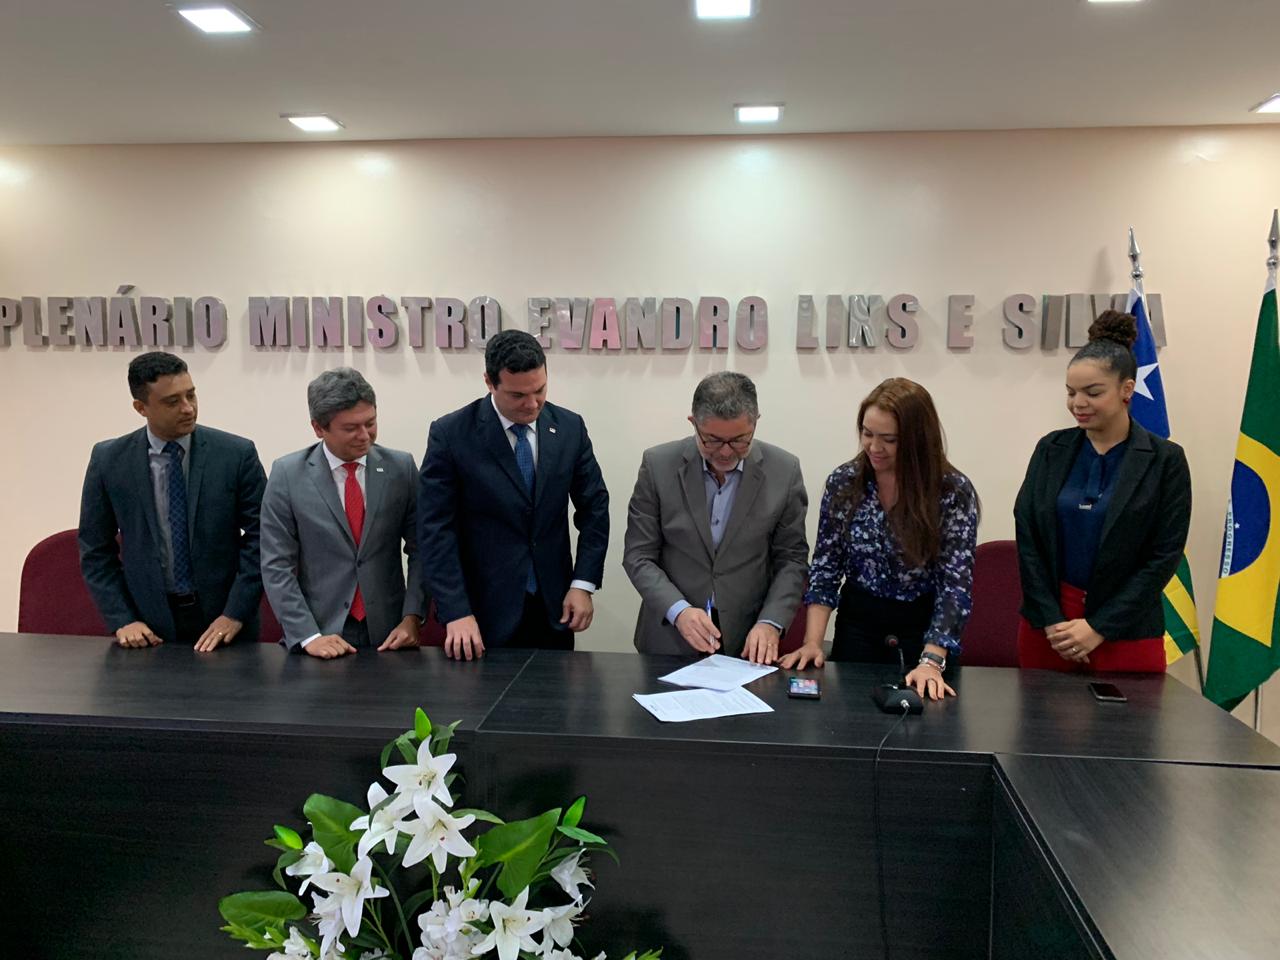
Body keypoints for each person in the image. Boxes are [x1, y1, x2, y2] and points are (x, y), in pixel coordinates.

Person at [779, 378, 978, 701]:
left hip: (924, 630)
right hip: (859, 625)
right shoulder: (845, 482)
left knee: (926, 719)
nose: (874, 447)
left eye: (889, 439)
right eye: (867, 434)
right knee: (850, 717)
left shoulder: (951, 491)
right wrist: (812, 642)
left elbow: (954, 585)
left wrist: (931, 661)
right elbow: (827, 567)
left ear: (917, 439)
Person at [1013, 311, 1191, 672]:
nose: (1078, 403)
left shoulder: (1165, 460)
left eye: (1093, 392)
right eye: (1071, 392)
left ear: (1127, 389)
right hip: (1050, 629)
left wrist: (1098, 627)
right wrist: (1051, 620)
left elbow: (1164, 555)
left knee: (1129, 713)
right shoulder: (1051, 449)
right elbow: (1028, 536)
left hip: (1126, 630)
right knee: (1039, 711)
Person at [418, 330, 610, 659]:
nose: (532, 404)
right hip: (480, 614)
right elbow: (435, 529)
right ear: (489, 382)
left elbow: (595, 509)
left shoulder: (569, 428)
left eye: (540, 390)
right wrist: (456, 610)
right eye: (518, 395)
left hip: (553, 608)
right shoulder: (452, 434)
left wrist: (583, 584)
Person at [78, 352, 266, 651]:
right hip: (147, 627)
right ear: (141, 407)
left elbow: (263, 537)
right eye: (172, 401)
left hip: (226, 624)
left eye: (191, 395)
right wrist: (123, 619)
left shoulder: (235, 454)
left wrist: (235, 613)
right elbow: (95, 549)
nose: (188, 408)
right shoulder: (109, 460)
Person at [623, 372, 809, 663]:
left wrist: (771, 622)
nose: (725, 452)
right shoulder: (658, 465)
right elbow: (638, 555)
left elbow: (792, 559)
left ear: (755, 423)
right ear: (693, 423)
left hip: (748, 638)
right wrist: (678, 610)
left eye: (739, 441)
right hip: (669, 636)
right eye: (712, 440)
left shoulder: (784, 471)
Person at [260, 368, 426, 658]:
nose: (364, 436)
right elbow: (276, 564)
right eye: (350, 428)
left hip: (389, 633)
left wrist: (413, 616)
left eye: (370, 423)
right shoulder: (288, 475)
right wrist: (308, 636)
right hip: (320, 631)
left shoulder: (401, 468)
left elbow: (421, 549)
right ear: (318, 428)